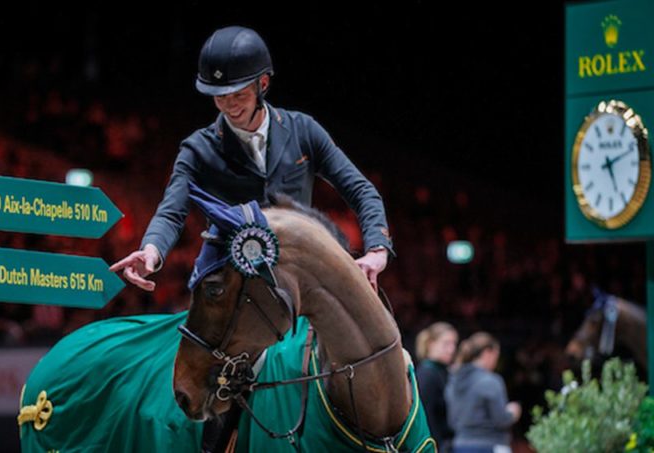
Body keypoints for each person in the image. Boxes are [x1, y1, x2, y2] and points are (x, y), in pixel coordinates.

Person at [110, 26, 395, 291]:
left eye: (239, 95)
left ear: (263, 83)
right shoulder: (197, 148)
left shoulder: (303, 130)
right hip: (230, 279)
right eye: (220, 97)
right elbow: (172, 211)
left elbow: (360, 190)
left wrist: (376, 249)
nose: (229, 106)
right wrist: (152, 250)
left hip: (300, 273)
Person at [444, 332, 521, 453]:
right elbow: (501, 420)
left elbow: (451, 420)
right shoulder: (491, 380)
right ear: (487, 353)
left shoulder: (453, 380)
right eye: (497, 355)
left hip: (460, 445)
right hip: (490, 444)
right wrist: (513, 412)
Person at [415, 322, 458, 452]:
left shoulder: (443, 371)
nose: (452, 349)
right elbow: (426, 416)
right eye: (446, 344)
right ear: (431, 344)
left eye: (454, 344)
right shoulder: (427, 373)